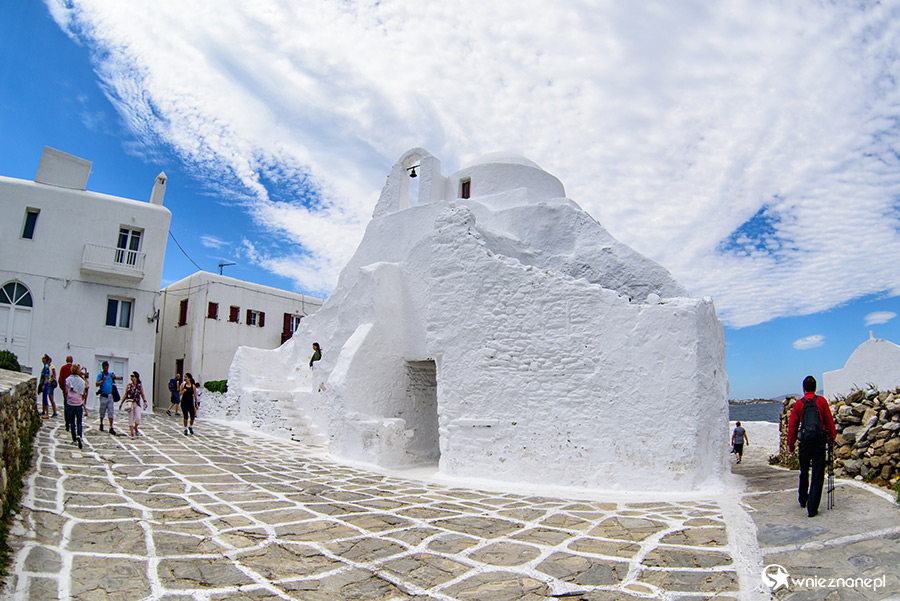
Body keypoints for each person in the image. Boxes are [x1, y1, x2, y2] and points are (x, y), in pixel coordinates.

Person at [787, 375, 837, 517]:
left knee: (803, 471)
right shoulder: (821, 401)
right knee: (818, 474)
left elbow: (793, 426)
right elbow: (829, 422)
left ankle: (803, 499)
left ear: (803, 389)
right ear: (815, 388)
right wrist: (832, 439)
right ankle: (813, 507)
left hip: (805, 442)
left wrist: (791, 443)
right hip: (819, 442)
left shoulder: (798, 404)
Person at [65, 364, 88, 449]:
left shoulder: (68, 379)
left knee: (72, 421)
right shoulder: (82, 381)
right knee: (79, 421)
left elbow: (66, 391)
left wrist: (68, 398)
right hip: (78, 402)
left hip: (71, 402)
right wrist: (81, 400)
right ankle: (79, 435)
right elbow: (83, 392)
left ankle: (74, 438)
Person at [95, 361, 122, 435]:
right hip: (103, 396)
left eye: (107, 368)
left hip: (110, 396)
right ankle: (101, 423)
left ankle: (111, 427)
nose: (106, 370)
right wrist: (102, 380)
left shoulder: (110, 374)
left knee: (111, 411)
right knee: (102, 411)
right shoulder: (101, 375)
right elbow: (96, 384)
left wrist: (114, 377)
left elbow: (120, 378)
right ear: (103, 368)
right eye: (105, 369)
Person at [120, 371, 147, 438]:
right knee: (131, 418)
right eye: (131, 376)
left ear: (136, 377)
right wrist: (121, 403)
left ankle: (135, 427)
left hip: (136, 403)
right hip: (130, 403)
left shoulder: (139, 386)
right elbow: (125, 394)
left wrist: (145, 401)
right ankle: (132, 433)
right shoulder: (129, 385)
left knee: (138, 418)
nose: (131, 377)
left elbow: (142, 394)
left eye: (133, 376)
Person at [58, 355, 74, 431]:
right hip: (74, 392)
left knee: (66, 407)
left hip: (66, 391)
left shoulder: (63, 368)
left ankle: (67, 423)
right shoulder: (74, 368)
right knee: (73, 407)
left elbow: (60, 380)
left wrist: (63, 389)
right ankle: (72, 422)